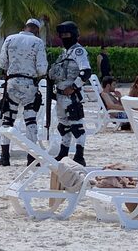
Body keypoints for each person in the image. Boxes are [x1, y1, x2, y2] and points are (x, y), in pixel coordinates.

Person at [0, 18, 48, 167]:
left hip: (11, 83)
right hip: (28, 85)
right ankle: (31, 158)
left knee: (8, 119)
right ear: (37, 30)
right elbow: (42, 68)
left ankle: (4, 157)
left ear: (25, 27)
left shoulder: (10, 39)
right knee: (30, 120)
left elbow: (2, 63)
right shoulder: (37, 43)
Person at [48, 21, 91, 166]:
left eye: (67, 34)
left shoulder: (79, 51)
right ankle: (63, 152)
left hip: (71, 96)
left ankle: (79, 155)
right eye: (62, 35)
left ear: (74, 35)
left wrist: (74, 87)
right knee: (63, 126)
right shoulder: (65, 53)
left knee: (76, 126)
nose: (64, 37)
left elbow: (86, 72)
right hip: (60, 96)